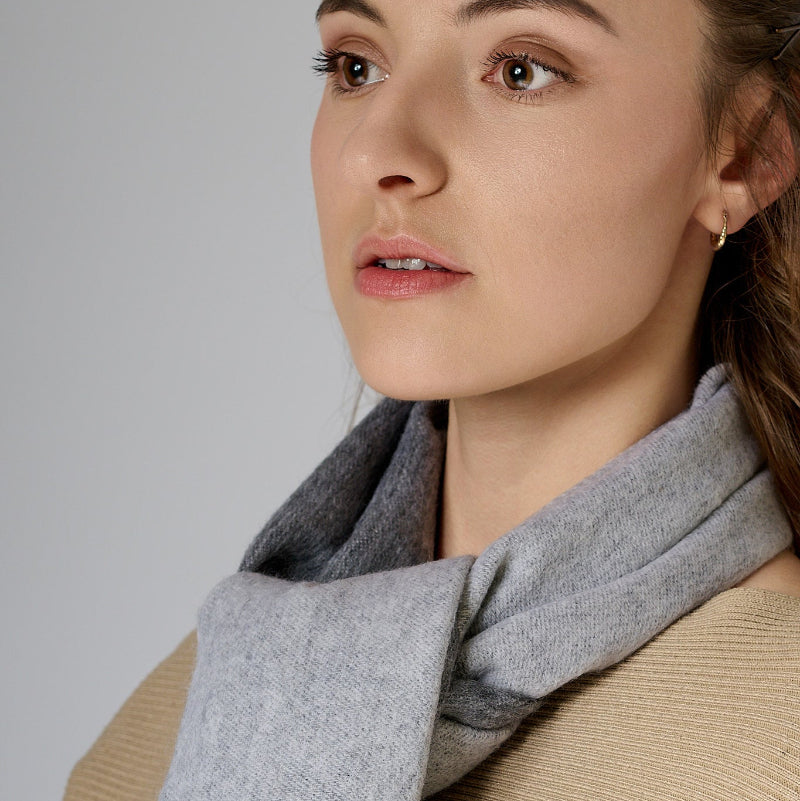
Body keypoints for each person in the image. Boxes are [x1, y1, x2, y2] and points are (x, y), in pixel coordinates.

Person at [65, 1, 800, 799]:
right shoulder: (171, 733)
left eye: (520, 69)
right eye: (356, 66)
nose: (380, 150)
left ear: (747, 154)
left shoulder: (771, 741)